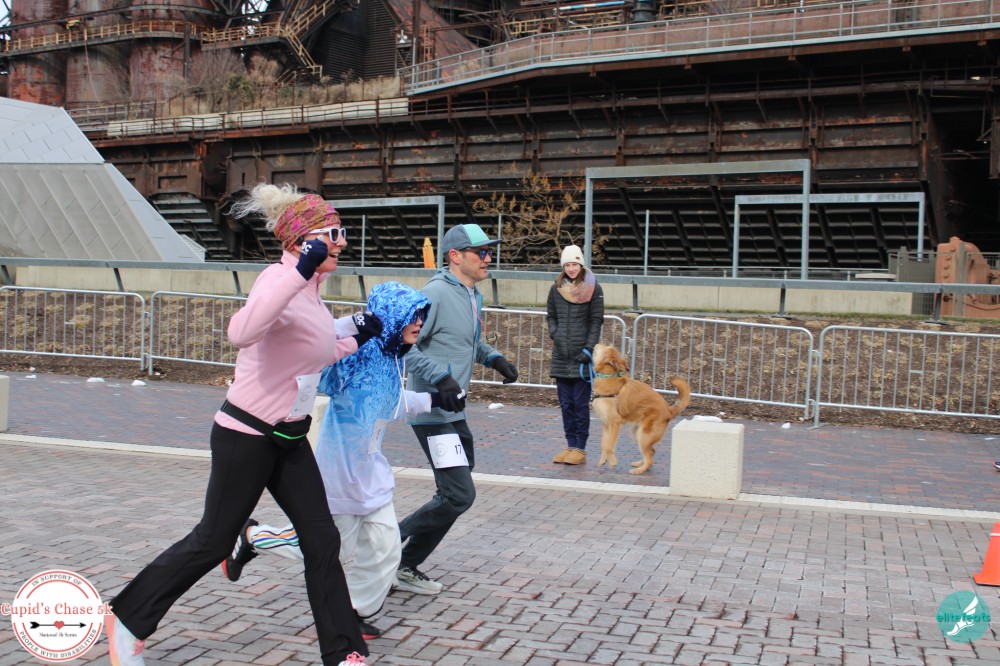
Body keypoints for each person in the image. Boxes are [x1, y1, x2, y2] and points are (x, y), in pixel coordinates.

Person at [104, 183, 381, 666]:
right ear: (303, 241)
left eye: (342, 233)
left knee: (322, 538)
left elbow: (313, 355)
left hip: (288, 437)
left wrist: (360, 336)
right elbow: (241, 332)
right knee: (212, 540)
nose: (342, 242)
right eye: (333, 233)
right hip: (246, 435)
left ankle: (343, 653)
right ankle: (127, 617)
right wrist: (299, 271)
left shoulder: (312, 294)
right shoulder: (280, 280)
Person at [221, 281, 467, 639]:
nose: (419, 323)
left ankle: (353, 613)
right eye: (412, 315)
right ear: (392, 317)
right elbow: (309, 368)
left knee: (385, 550)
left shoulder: (391, 358)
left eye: (421, 315)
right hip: (338, 473)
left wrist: (435, 400)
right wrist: (263, 383)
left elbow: (388, 405)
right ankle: (253, 537)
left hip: (371, 474)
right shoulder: (356, 354)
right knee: (326, 549)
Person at [395, 222, 519, 594]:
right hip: (432, 413)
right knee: (459, 494)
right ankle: (386, 544)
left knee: (454, 495)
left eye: (489, 251)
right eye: (480, 252)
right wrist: (442, 378)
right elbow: (403, 346)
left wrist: (494, 359)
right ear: (455, 256)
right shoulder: (434, 294)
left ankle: (403, 564)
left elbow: (469, 342)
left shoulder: (472, 295)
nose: (488, 258)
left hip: (455, 412)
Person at [547, 244, 605, 465]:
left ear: (581, 265)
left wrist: (588, 348)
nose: (571, 269)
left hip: (581, 355)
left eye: (575, 264)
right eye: (567, 265)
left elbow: (596, 321)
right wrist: (555, 333)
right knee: (566, 404)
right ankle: (570, 444)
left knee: (580, 404)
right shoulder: (556, 289)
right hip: (561, 354)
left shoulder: (593, 288)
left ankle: (580, 447)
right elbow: (551, 315)